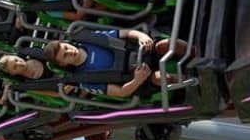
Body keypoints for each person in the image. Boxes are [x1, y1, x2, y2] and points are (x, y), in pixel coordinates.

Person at [42, 28, 183, 98]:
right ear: (63, 64)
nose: (70, 52)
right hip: (141, 78)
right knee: (162, 78)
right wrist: (138, 80)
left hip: (143, 51)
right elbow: (121, 92)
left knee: (170, 44)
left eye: (66, 48)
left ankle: (196, 55)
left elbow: (126, 33)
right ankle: (193, 78)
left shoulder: (90, 38)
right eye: (65, 56)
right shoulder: (85, 80)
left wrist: (141, 36)